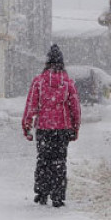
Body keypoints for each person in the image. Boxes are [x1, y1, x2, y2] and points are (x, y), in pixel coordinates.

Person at [21, 44, 81, 208]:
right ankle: (58, 195)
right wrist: (75, 128)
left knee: (43, 160)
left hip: (44, 128)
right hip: (62, 129)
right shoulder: (68, 83)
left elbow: (31, 106)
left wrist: (26, 125)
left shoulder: (39, 82)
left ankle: (41, 193)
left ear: (47, 62)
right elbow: (75, 108)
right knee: (59, 161)